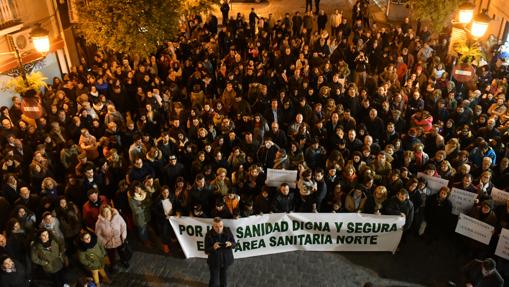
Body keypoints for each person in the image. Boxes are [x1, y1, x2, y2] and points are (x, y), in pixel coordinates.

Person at [204, 217, 236, 287]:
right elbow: (206, 251)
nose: (219, 229)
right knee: (214, 281)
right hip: (214, 262)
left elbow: (234, 244)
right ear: (213, 226)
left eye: (221, 226)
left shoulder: (228, 231)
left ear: (223, 225)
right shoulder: (208, 235)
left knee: (224, 279)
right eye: (216, 227)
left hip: (226, 260)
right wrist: (213, 248)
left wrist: (230, 244)